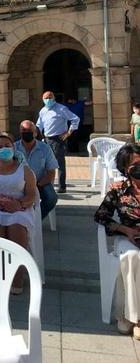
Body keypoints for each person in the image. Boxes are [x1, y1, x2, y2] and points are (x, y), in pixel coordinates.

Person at [94, 144, 140, 339]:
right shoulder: (119, 191)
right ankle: (135, 318)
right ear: (125, 168)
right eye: (135, 164)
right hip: (127, 236)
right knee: (133, 256)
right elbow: (101, 216)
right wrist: (126, 230)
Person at [0, 134, 37, 293]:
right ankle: (1, 274)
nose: (4, 149)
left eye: (7, 146)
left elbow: (31, 194)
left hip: (19, 209)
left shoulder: (25, 170)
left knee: (16, 228)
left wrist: (18, 204)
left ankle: (17, 276)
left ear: (13, 148)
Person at [36, 91, 79, 193]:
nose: (48, 100)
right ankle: (47, 184)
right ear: (42, 99)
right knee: (46, 163)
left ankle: (62, 186)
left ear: (54, 98)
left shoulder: (61, 109)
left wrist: (69, 132)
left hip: (58, 139)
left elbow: (75, 119)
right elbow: (39, 125)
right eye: (46, 98)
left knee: (59, 163)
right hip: (46, 139)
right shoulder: (43, 111)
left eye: (50, 97)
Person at [14, 121, 58, 220]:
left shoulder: (45, 148)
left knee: (51, 198)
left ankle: (35, 219)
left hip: (40, 183)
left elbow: (51, 172)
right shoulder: (13, 148)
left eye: (29, 130)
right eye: (23, 130)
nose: (26, 132)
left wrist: (38, 185)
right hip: (17, 183)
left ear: (35, 133)